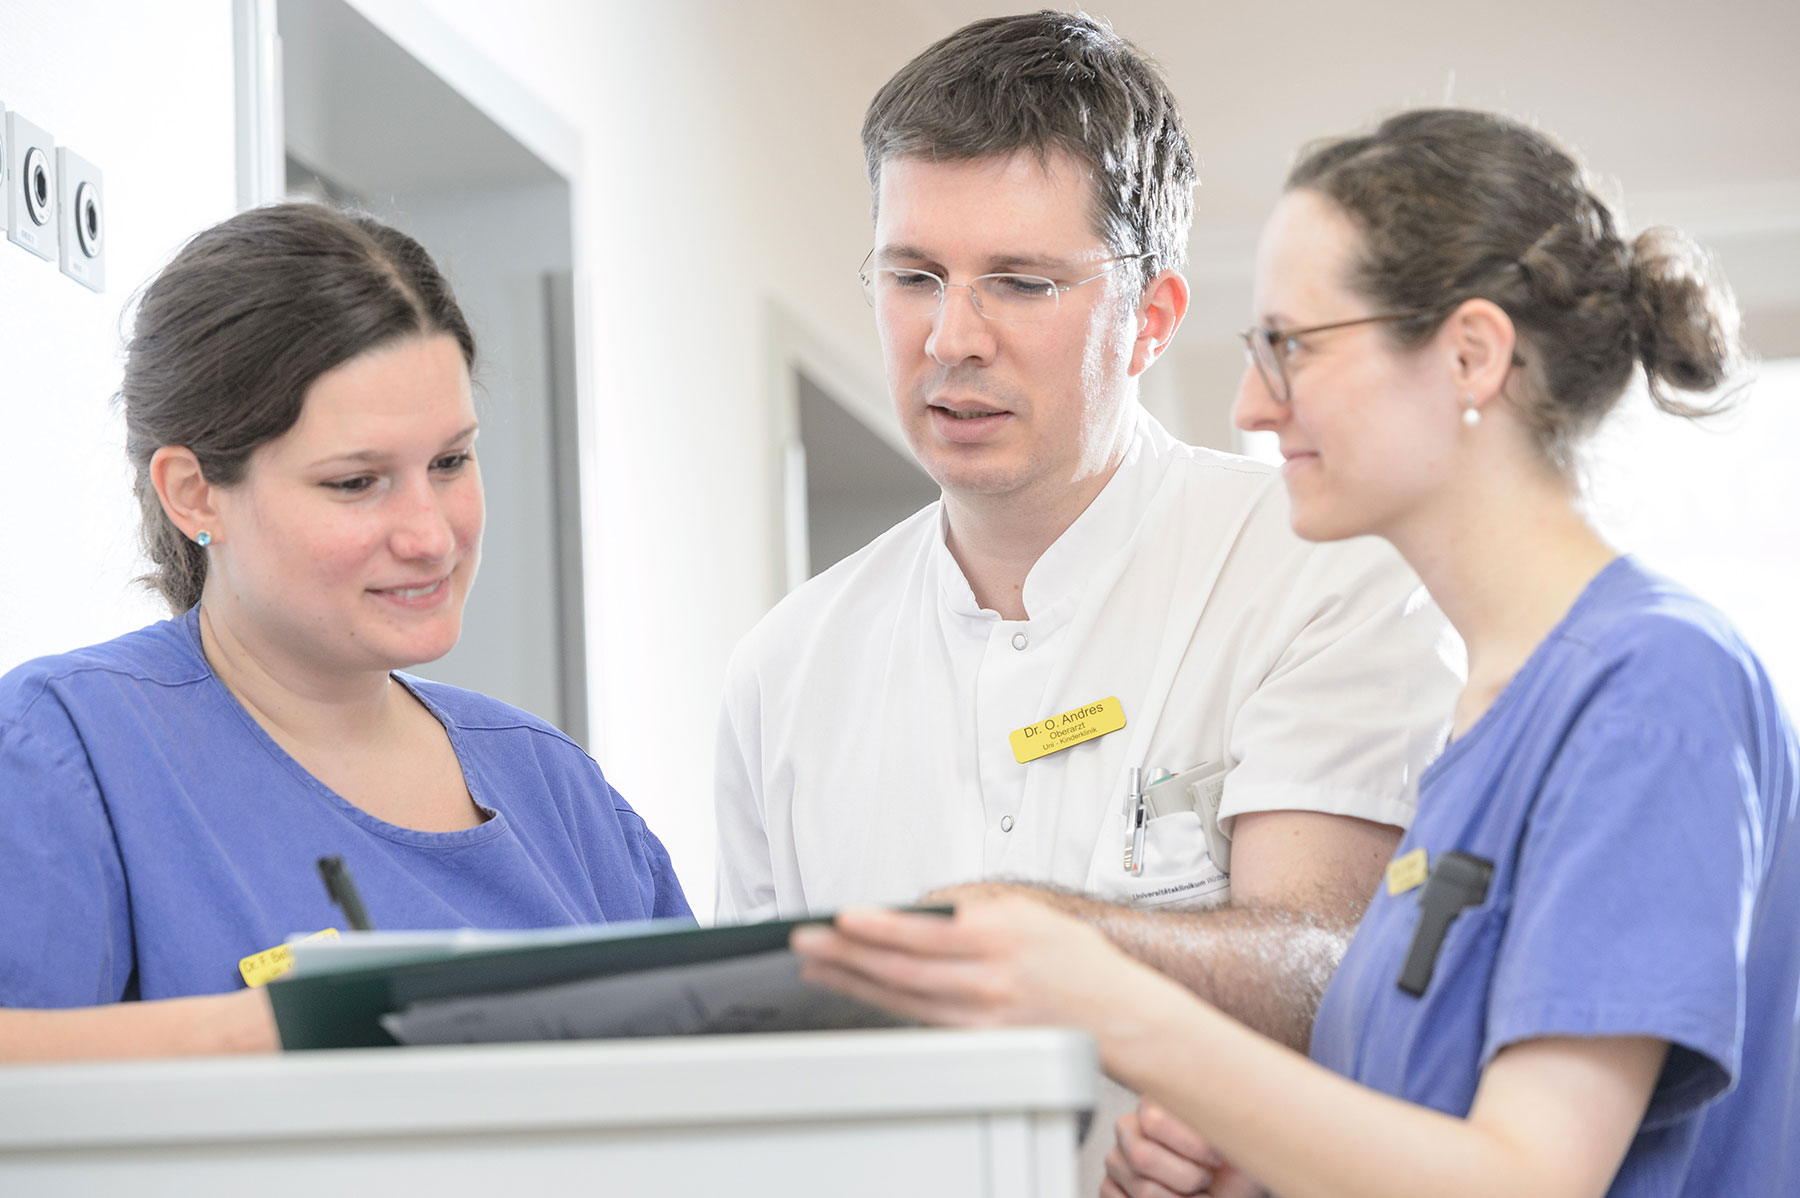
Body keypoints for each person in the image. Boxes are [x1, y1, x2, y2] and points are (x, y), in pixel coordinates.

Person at [792, 107, 1798, 1198]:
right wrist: (1256, 1167)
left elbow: (1522, 1181)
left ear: (1469, 355)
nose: (1252, 403)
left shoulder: (1650, 687)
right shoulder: (1487, 723)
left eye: (1293, 347)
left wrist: (1103, 992)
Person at [714, 11, 1459, 1186]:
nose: (951, 339)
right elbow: (760, 1079)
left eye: (1020, 282)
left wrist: (1045, 937)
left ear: (1151, 318)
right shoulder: (783, 669)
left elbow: (1336, 957)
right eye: (914, 276)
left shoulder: (1318, 569)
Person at [0, 204, 691, 1061]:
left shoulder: (556, 790)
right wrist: (292, 1030)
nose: (430, 536)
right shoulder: (68, 749)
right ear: (193, 493)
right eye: (357, 481)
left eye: (450, 462)